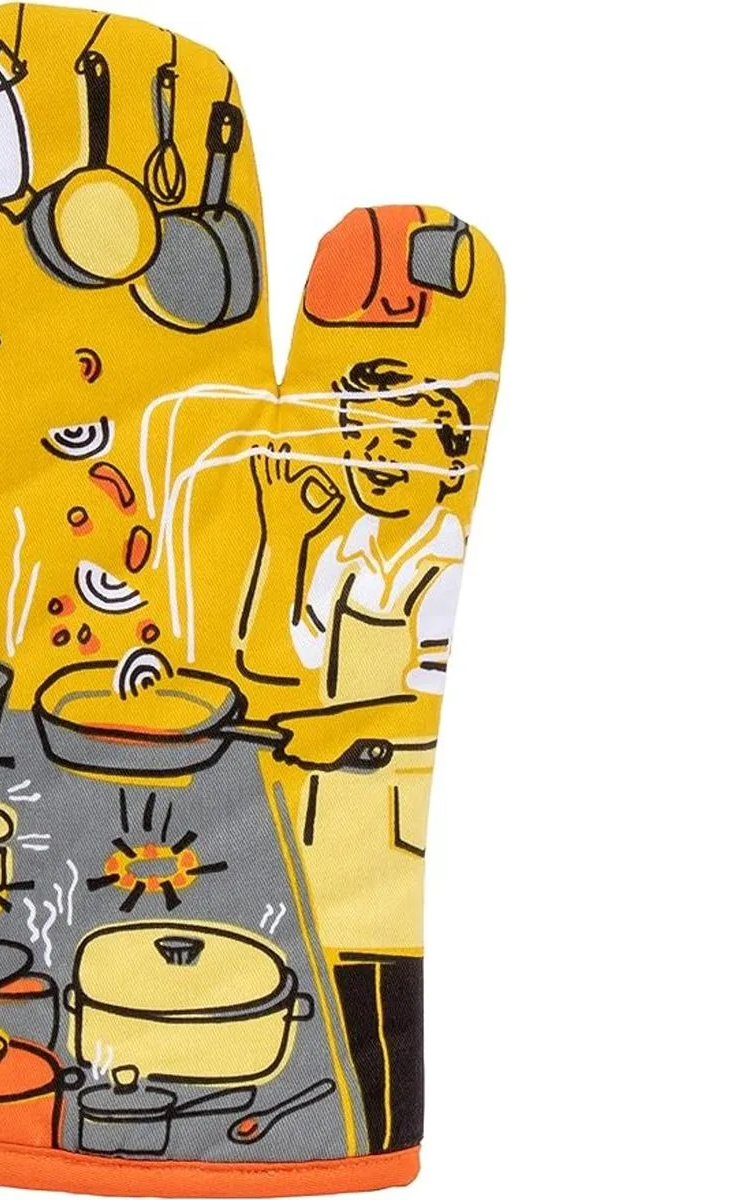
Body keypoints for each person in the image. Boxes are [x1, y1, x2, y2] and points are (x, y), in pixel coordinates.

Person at [237, 356, 475, 1154]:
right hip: (330, 817)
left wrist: (336, 729)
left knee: (382, 995)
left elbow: (423, 700)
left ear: (451, 462)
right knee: (330, 993)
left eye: (401, 441)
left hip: (393, 823)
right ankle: (335, 1139)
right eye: (363, 440)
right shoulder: (346, 551)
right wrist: (282, 539)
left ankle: (375, 1142)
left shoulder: (441, 562)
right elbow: (271, 661)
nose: (378, 459)